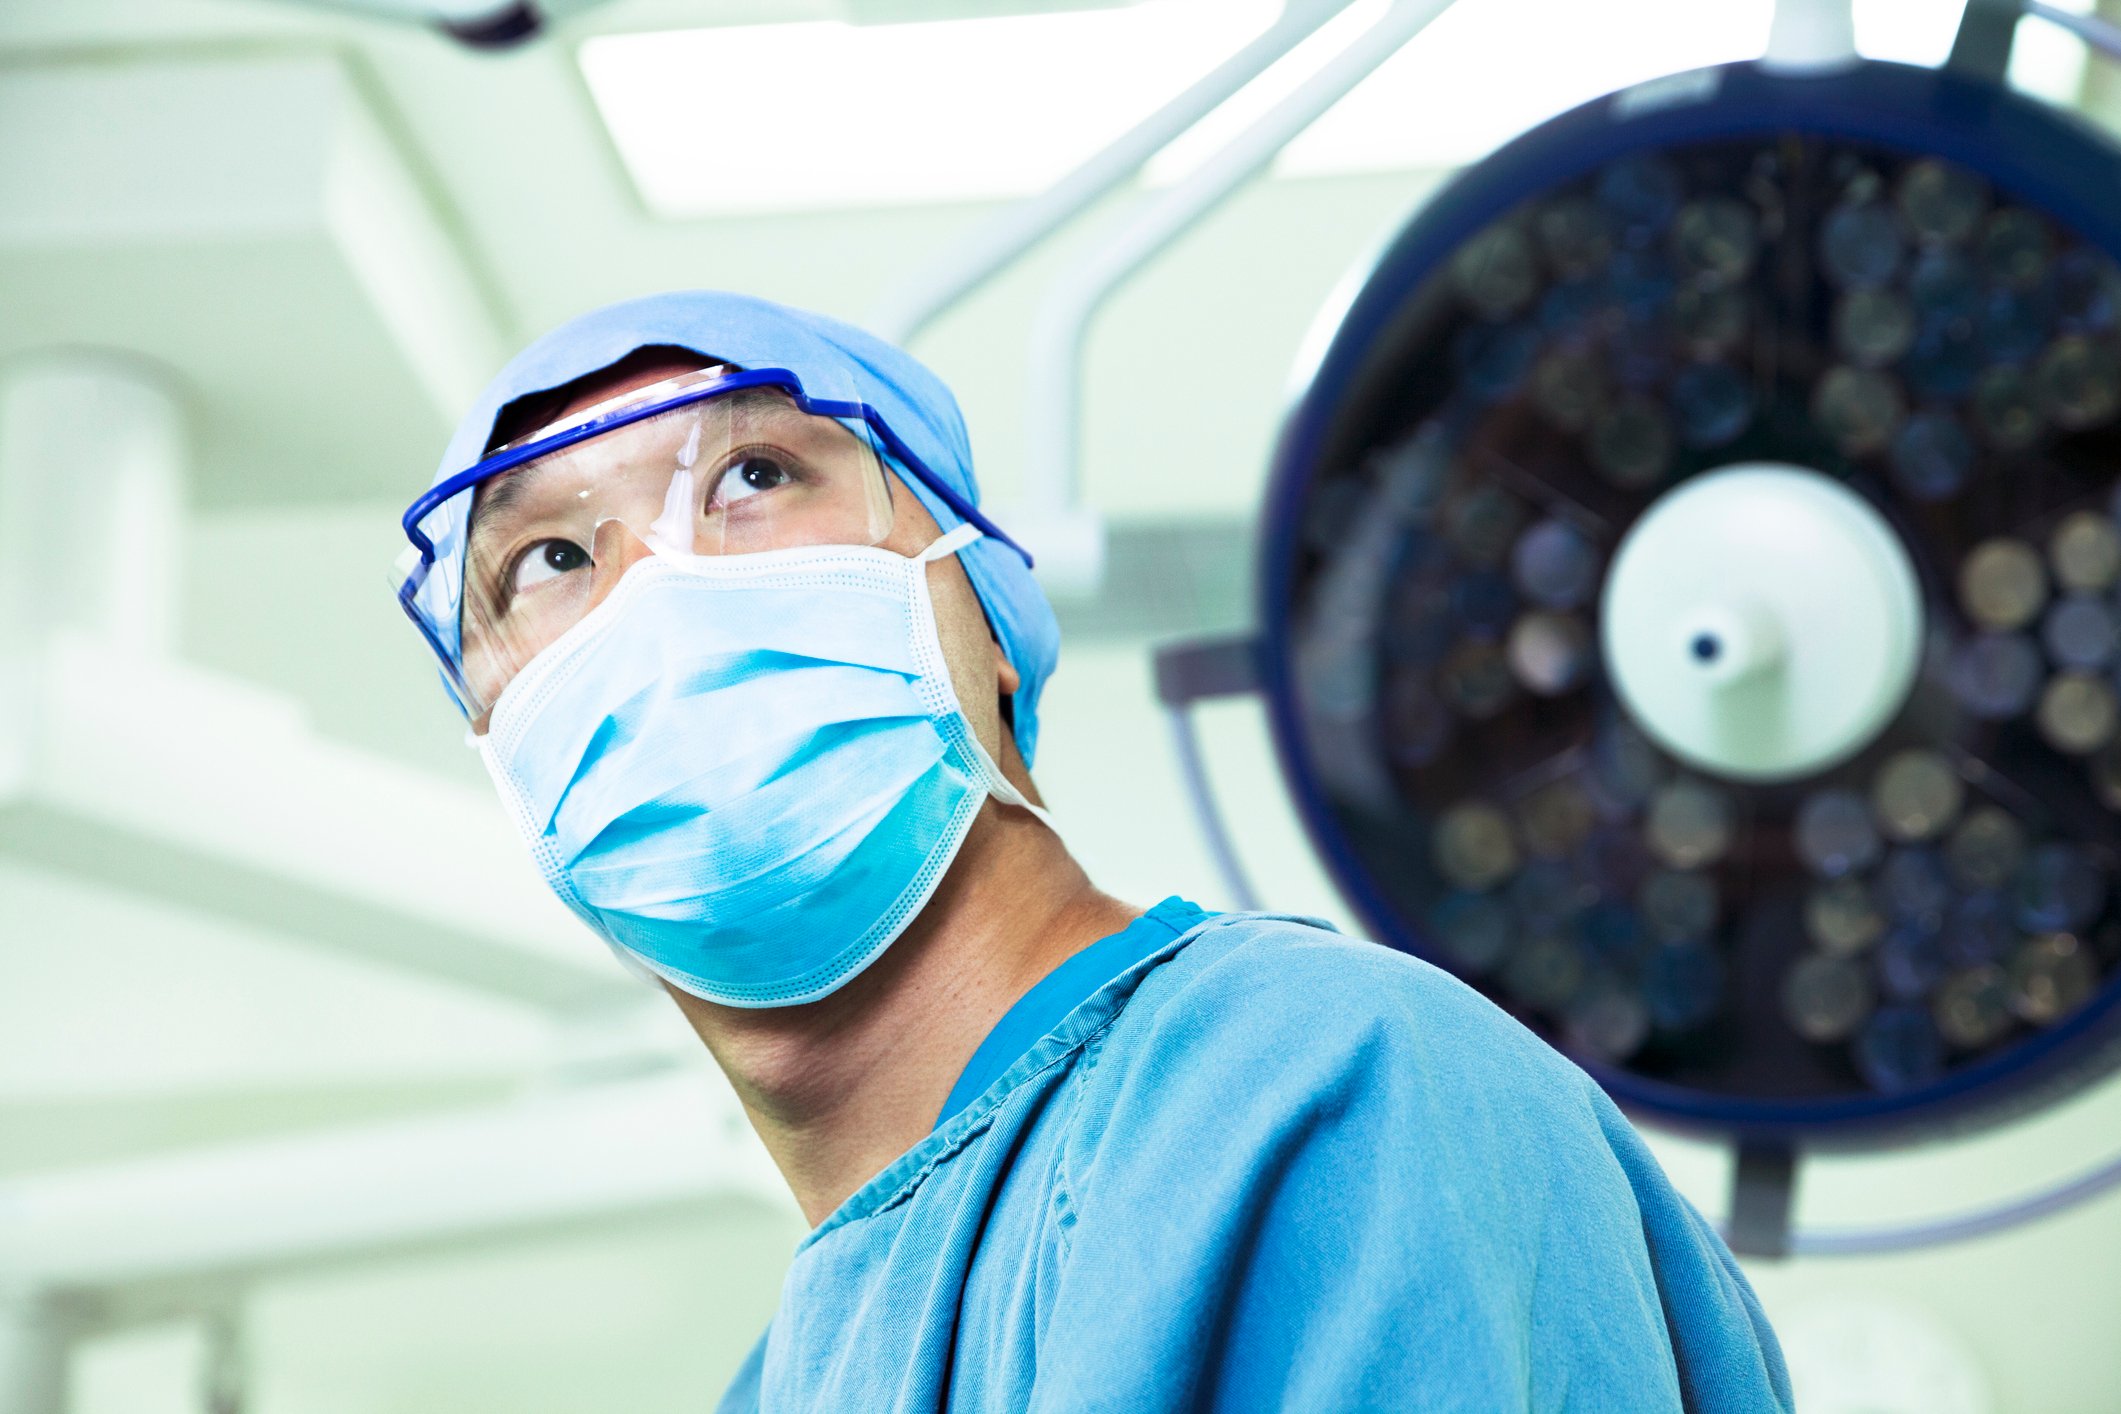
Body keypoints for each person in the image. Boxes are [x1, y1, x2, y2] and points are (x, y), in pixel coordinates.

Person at [395, 289, 1792, 1412]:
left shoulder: (1311, 1087)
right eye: (547, 561)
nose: (653, 595)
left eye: (752, 475)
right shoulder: (794, 1375)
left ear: (986, 618)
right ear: (507, 748)